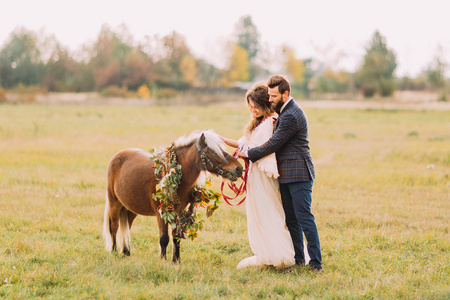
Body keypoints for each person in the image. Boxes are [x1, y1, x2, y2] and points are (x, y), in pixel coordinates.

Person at [239, 75, 322, 272]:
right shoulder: (283, 111)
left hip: (299, 174)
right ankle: (299, 259)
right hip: (286, 175)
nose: (270, 99)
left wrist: (249, 154)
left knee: (304, 218)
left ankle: (316, 264)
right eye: (269, 95)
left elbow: (274, 143)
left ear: (286, 94)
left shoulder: (292, 115)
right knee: (291, 220)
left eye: (274, 96)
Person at [221, 82, 308, 269]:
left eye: (256, 106)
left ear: (265, 104)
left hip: (264, 176)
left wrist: (247, 153)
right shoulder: (258, 123)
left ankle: (281, 254)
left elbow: (263, 148)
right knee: (259, 215)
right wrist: (218, 139)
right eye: (250, 106)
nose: (253, 109)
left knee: (270, 213)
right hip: (255, 175)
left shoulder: (271, 122)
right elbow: (241, 144)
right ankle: (268, 252)